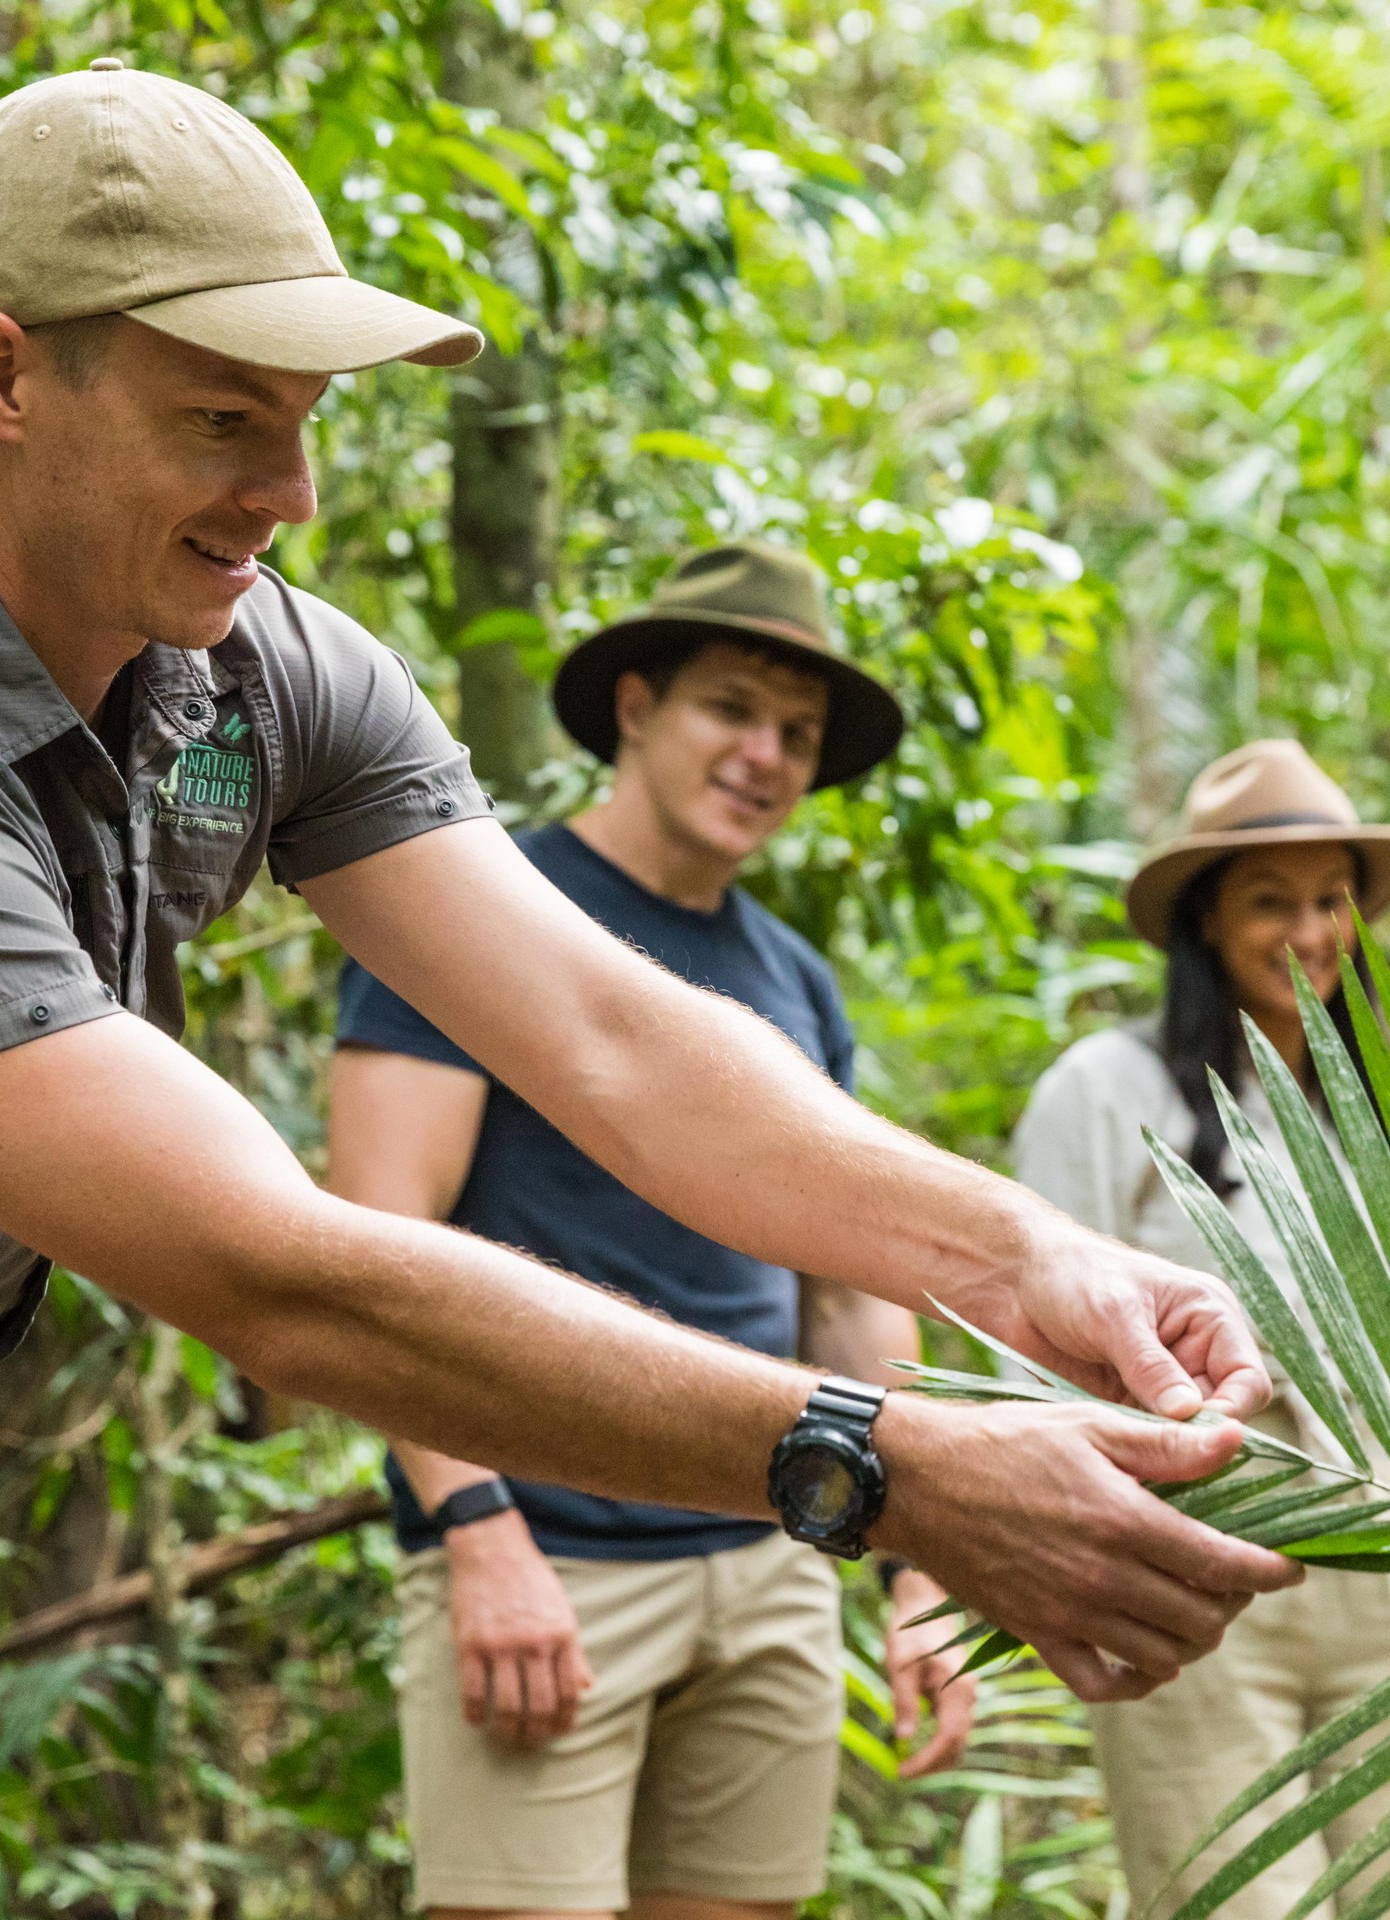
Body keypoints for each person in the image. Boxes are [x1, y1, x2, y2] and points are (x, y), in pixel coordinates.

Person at [0, 64, 1301, 1920]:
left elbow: (612, 1038)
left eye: (311, 422)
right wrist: (882, 1470)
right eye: (225, 420)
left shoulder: (253, 673)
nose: (293, 494)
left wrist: (1026, 1264)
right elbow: (275, 1276)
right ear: (2, 378)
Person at [329, 541, 974, 1919]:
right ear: (635, 706)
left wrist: (916, 1563)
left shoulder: (792, 978)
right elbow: (378, 1241)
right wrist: (476, 1531)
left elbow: (850, 1290)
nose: (766, 755)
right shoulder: (486, 918)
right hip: (541, 1556)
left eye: (797, 734)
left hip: (770, 1556)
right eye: (730, 709)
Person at [1013, 740, 1390, 1920]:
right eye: (1273, 901)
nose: (1310, 931)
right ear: (1206, 919)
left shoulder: (1386, 1106)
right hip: (1191, 1568)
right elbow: (1030, 1357)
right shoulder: (1103, 1091)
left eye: (1332, 900)